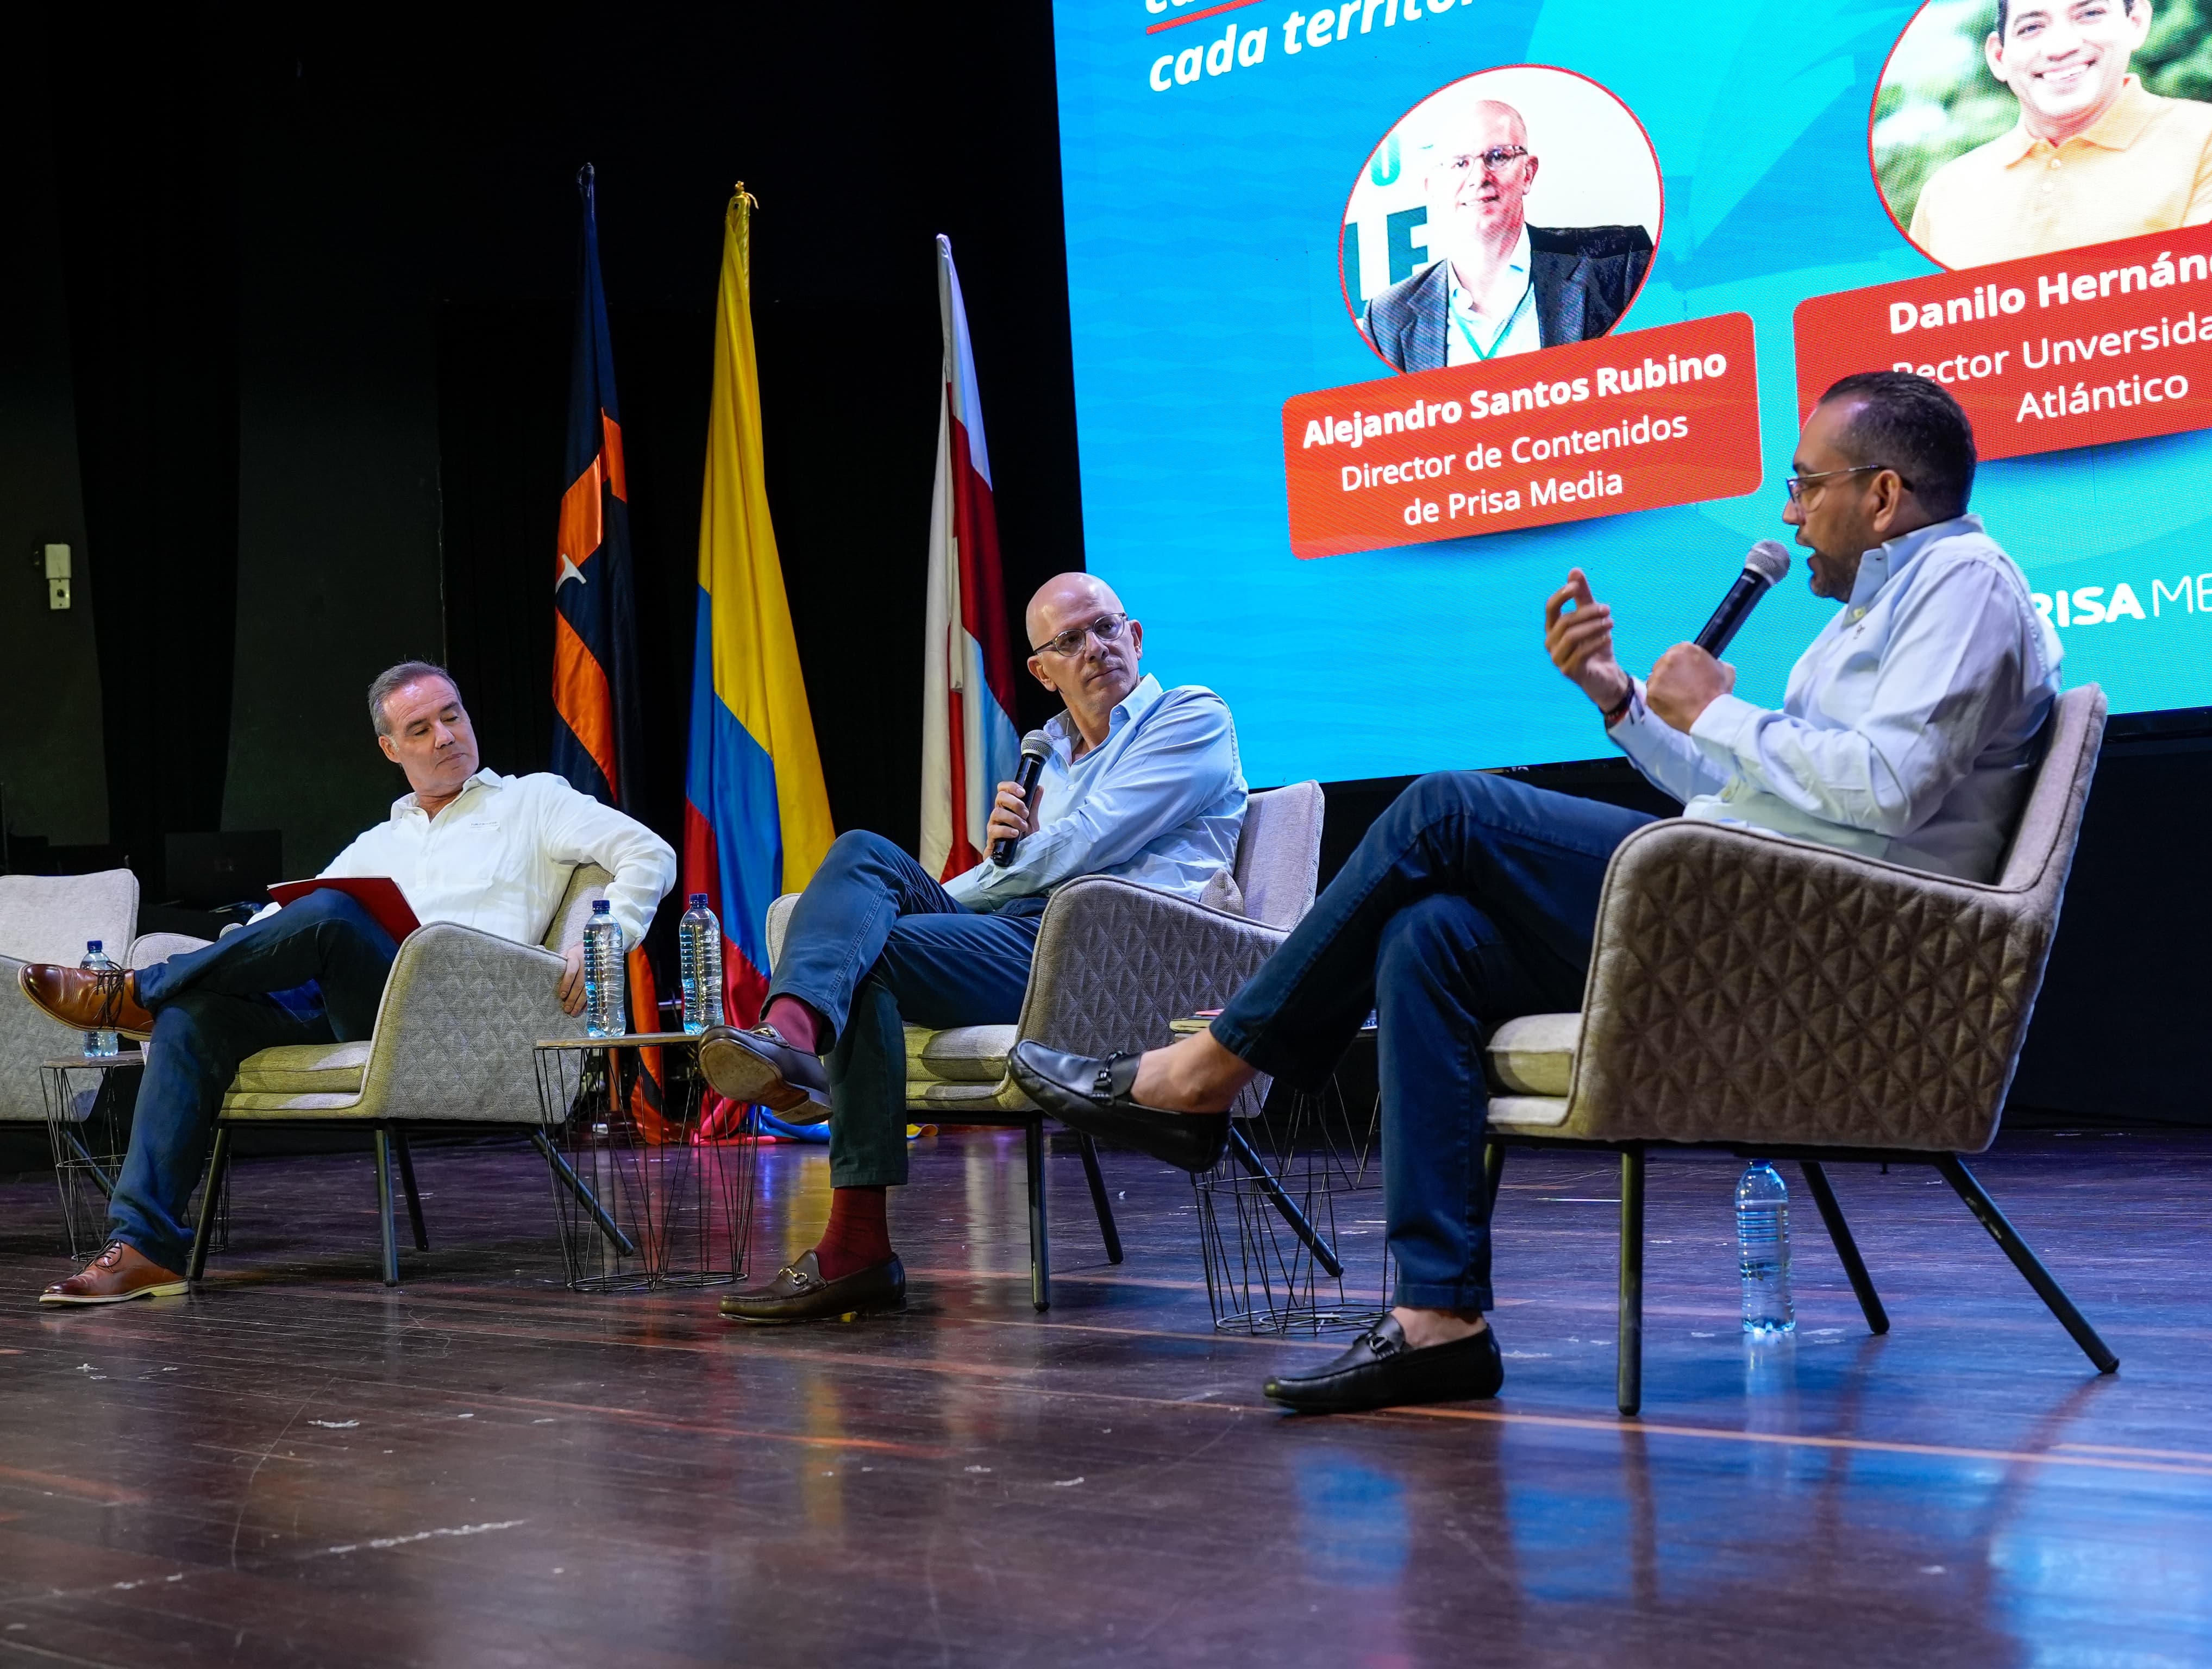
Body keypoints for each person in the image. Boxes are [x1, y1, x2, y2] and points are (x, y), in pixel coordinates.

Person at [1016, 372, 2062, 1414]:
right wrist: (1626, 701)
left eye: (1804, 484)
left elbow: (1885, 793)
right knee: (1432, 935)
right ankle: (1439, 1321)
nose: (1788, 513)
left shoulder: (1965, 582)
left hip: (1824, 949)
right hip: (1757, 905)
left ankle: (1206, 1071)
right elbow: (1758, 795)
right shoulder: (1873, 615)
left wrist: (1720, 716)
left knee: (1448, 810)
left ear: (1882, 497)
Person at [20, 662, 676, 1304]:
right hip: (360, 1009)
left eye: (452, 717)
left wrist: (606, 935)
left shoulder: (535, 800)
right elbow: (284, 917)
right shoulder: (381, 839)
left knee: (333, 914)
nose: (445, 736)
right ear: (391, 748)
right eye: (420, 729)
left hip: (457, 1015)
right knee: (196, 1014)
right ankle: (144, 1250)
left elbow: (650, 853)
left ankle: (135, 993)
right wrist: (229, 963)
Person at [704, 572, 1248, 1325]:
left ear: (1136, 635)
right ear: (1042, 670)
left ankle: (849, 1225)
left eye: (1105, 628)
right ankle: (794, 1043)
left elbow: (1089, 847)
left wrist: (997, 866)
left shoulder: (1192, 717)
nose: (1094, 648)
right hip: (1024, 933)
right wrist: (909, 895)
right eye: (1069, 641)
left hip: (1109, 953)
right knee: (864, 867)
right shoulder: (1047, 759)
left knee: (868, 940)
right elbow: (1021, 875)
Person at [1906, 0, 2212, 268]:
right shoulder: (1945, 193)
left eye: (2089, 14)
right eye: (2031, 28)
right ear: (1999, 58)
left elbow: (2199, 312)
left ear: (2136, 22)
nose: (2061, 47)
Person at [1362, 97, 1655, 372]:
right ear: (1434, 188)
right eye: (1460, 163)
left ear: (1528, 174)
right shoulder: (1387, 317)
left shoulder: (1619, 261)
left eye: (1498, 156)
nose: (1478, 178)